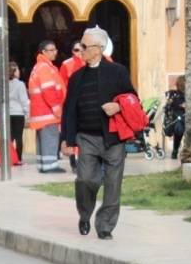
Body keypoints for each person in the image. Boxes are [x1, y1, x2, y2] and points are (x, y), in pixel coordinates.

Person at [60, 27, 136, 240]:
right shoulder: (76, 77)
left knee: (113, 184)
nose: (80, 51)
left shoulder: (118, 72)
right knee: (85, 180)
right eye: (79, 46)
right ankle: (85, 214)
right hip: (86, 137)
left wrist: (119, 107)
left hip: (113, 138)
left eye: (84, 47)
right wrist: (66, 139)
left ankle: (105, 226)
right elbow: (69, 110)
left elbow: (132, 98)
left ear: (99, 49)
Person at [28, 40, 67, 174]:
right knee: (50, 138)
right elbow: (49, 90)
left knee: (42, 139)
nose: (54, 52)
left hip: (40, 112)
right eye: (51, 50)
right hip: (47, 112)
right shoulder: (45, 68)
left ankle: (43, 164)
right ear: (43, 52)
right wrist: (57, 110)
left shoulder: (39, 66)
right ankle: (50, 166)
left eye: (55, 49)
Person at [7, 61, 28, 165]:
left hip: (8, 114)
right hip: (18, 113)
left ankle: (10, 158)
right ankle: (19, 159)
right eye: (18, 69)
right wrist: (27, 112)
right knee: (18, 137)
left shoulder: (4, 84)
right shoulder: (20, 84)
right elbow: (24, 100)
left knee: (10, 137)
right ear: (14, 72)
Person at [164, 75, 187, 160]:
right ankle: (175, 150)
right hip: (178, 119)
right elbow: (171, 106)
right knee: (179, 129)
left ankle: (175, 150)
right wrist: (182, 106)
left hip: (183, 120)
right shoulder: (174, 94)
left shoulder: (189, 95)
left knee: (179, 130)